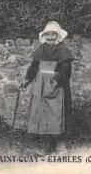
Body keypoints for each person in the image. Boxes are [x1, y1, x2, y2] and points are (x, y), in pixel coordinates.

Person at [20, 21, 73, 152]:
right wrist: (27, 79)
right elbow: (34, 66)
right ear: (44, 36)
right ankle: (42, 136)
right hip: (40, 85)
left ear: (58, 36)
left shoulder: (63, 50)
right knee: (41, 110)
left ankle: (53, 141)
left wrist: (56, 81)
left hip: (56, 86)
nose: (50, 37)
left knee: (54, 112)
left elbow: (66, 69)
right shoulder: (41, 49)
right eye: (47, 34)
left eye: (53, 35)